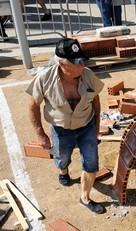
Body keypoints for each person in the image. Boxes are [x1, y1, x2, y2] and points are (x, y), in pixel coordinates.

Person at [26, 39, 105, 214]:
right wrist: (40, 134)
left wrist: (97, 127)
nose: (81, 66)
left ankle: (85, 197)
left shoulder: (89, 75)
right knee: (61, 157)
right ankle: (63, 170)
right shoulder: (44, 79)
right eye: (76, 63)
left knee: (91, 163)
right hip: (61, 130)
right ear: (61, 63)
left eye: (82, 61)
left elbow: (97, 101)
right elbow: (33, 106)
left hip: (87, 126)